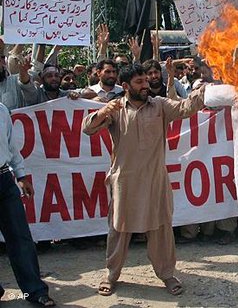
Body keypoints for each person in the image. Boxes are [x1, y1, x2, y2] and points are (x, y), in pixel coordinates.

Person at [82, 63, 206, 296]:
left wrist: (203, 92)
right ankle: (111, 274)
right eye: (139, 82)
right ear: (126, 86)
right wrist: (103, 112)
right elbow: (87, 129)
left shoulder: (159, 105)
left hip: (154, 180)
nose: (146, 85)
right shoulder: (115, 108)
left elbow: (185, 108)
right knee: (118, 229)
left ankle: (167, 274)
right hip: (124, 181)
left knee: (161, 229)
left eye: (146, 81)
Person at [0, 103, 55, 306]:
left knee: (20, 237)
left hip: (4, 179)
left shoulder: (1, 110)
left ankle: (35, 291)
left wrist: (21, 174)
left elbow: (11, 146)